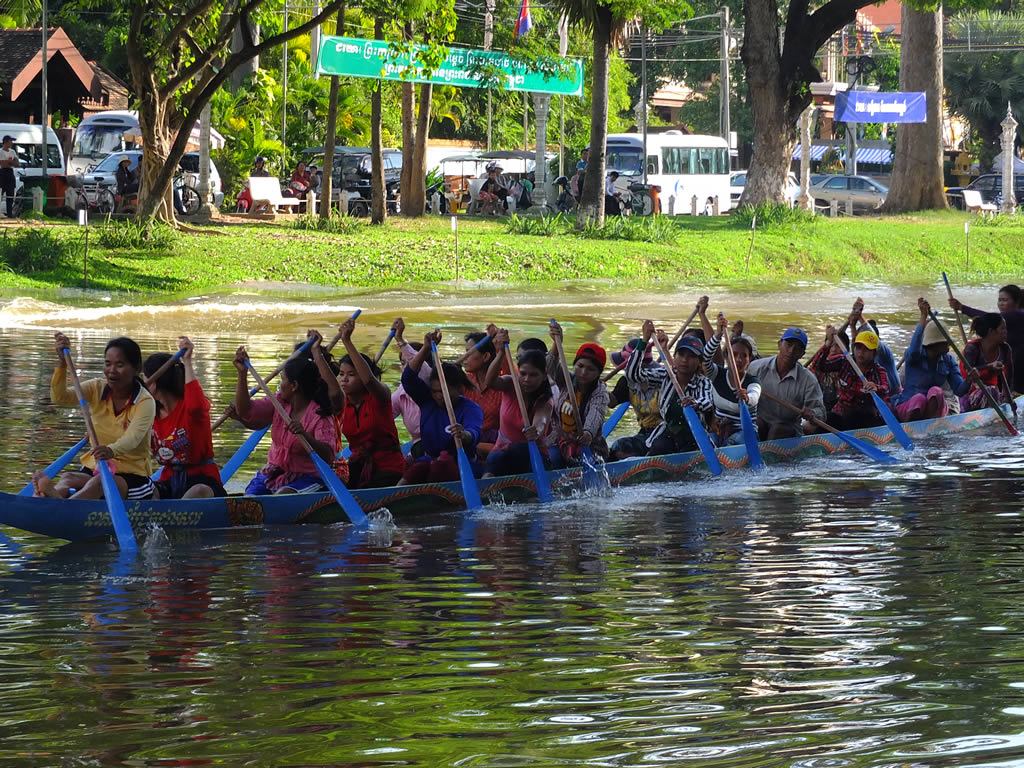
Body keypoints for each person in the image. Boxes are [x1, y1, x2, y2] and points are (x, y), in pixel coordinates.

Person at [32, 334, 156, 501]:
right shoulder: (96, 387)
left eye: (119, 365)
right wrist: (62, 364)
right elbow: (60, 398)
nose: (112, 370)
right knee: (68, 478)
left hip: (133, 476)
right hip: (97, 467)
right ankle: (49, 498)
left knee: (100, 483)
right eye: (108, 364)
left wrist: (110, 450)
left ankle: (59, 504)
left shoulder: (145, 402)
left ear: (136, 369)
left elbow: (132, 439)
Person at [233, 346, 338, 495]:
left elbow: (328, 456)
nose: (279, 386)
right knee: (250, 500)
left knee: (283, 495)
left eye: (282, 380)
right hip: (274, 473)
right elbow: (244, 410)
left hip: (310, 477)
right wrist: (242, 373)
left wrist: (304, 435)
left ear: (294, 386)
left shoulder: (321, 414)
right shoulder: (278, 402)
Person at [145, 336, 226, 499]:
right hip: (169, 480)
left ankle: (175, 514)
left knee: (198, 491)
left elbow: (196, 404)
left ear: (155, 382)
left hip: (203, 481)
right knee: (146, 492)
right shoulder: (148, 412)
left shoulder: (190, 407)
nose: (143, 383)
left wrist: (187, 361)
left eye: (146, 377)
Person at [400, 330, 484, 485]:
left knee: (440, 466)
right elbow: (408, 378)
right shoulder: (427, 400)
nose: (439, 396)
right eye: (435, 391)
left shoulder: (471, 408)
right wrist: (425, 349)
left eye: (444, 392)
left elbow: (474, 432)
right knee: (418, 468)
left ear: (459, 389)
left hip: (462, 465)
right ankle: (396, 493)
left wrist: (464, 435)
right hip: (429, 460)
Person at [337, 316, 406, 488]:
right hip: (358, 466)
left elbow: (368, 380)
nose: (344, 379)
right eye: (341, 374)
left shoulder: (380, 396)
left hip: (389, 468)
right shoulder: (340, 402)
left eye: (351, 375)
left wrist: (347, 341)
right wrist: (316, 351)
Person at [626, 322, 714, 456]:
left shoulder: (704, 382)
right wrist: (643, 341)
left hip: (695, 436)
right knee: (658, 449)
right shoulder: (665, 376)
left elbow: (707, 402)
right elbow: (633, 375)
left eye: (691, 356)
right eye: (681, 354)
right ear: (675, 357)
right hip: (669, 433)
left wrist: (695, 403)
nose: (685, 360)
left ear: (699, 362)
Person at [482, 329, 554, 477]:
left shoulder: (545, 399)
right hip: (501, 454)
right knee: (496, 459)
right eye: (523, 373)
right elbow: (490, 381)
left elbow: (541, 421)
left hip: (534, 457)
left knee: (519, 449)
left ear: (544, 376)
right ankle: (487, 482)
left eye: (533, 375)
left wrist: (535, 431)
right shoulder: (510, 383)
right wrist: (501, 353)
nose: (527, 379)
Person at [893, 299, 975, 422]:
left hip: (933, 412)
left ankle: (930, 426)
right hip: (909, 406)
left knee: (936, 391)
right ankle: (911, 428)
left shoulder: (948, 361)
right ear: (934, 345)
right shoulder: (915, 356)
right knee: (919, 399)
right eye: (945, 342)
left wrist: (969, 380)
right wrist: (923, 317)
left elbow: (959, 390)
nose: (949, 345)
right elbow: (914, 347)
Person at [546, 322, 609, 467]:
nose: (583, 372)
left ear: (598, 373)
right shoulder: (566, 379)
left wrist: (587, 433)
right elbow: (549, 369)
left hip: (589, 446)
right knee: (551, 460)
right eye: (580, 366)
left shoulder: (600, 393)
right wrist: (556, 345)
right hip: (559, 441)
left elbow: (596, 413)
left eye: (590, 369)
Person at [747, 328, 826, 439]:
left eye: (797, 349)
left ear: (802, 354)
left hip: (789, 428)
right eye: (788, 345)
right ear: (779, 344)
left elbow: (820, 411)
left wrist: (812, 413)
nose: (791, 351)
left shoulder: (808, 379)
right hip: (760, 422)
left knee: (777, 430)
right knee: (756, 425)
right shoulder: (756, 368)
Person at [809, 326, 890, 430]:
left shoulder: (879, 371)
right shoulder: (844, 361)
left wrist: (876, 387)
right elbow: (818, 365)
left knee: (862, 416)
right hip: (841, 414)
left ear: (874, 353)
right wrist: (828, 343)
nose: (861, 353)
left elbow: (885, 388)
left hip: (865, 417)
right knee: (823, 422)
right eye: (858, 348)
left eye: (866, 349)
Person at [950, 285, 1024, 394]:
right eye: (999, 300)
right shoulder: (972, 347)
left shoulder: (1018, 314)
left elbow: (986, 317)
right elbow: (968, 375)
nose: (1001, 304)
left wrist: (962, 308)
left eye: (1005, 300)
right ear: (991, 331)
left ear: (1016, 302)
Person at [702, 314, 762, 446]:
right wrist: (717, 335)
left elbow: (754, 396)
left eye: (744, 356)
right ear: (726, 356)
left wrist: (746, 397)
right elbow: (705, 359)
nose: (739, 360)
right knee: (706, 442)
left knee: (733, 442)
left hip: (745, 433)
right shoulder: (717, 374)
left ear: (749, 360)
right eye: (734, 355)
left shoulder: (753, 381)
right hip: (720, 430)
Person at [608, 338, 662, 459]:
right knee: (618, 448)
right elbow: (611, 402)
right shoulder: (626, 382)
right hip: (644, 433)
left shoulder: (661, 379)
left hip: (664, 433)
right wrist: (598, 390)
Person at [959, 312, 1014, 411]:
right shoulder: (972, 348)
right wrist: (990, 366)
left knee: (994, 392)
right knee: (990, 391)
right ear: (991, 331)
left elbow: (1008, 375)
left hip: (992, 394)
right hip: (969, 395)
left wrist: (1007, 397)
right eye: (1002, 328)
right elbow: (968, 372)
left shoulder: (1005, 349)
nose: (1006, 332)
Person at [462, 331, 502, 458]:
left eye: (469, 353)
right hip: (467, 438)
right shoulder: (463, 381)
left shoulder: (503, 385)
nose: (464, 357)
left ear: (485, 357)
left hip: (496, 444)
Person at [0, 134, 19, 218]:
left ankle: (9, 213)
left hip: (10, 173)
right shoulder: (1, 152)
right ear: (6, 142)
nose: (12, 143)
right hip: (2, 173)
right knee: (1, 193)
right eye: (11, 141)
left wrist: (9, 162)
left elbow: (17, 163)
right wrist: (10, 162)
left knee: (10, 194)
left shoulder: (12, 152)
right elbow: (3, 164)